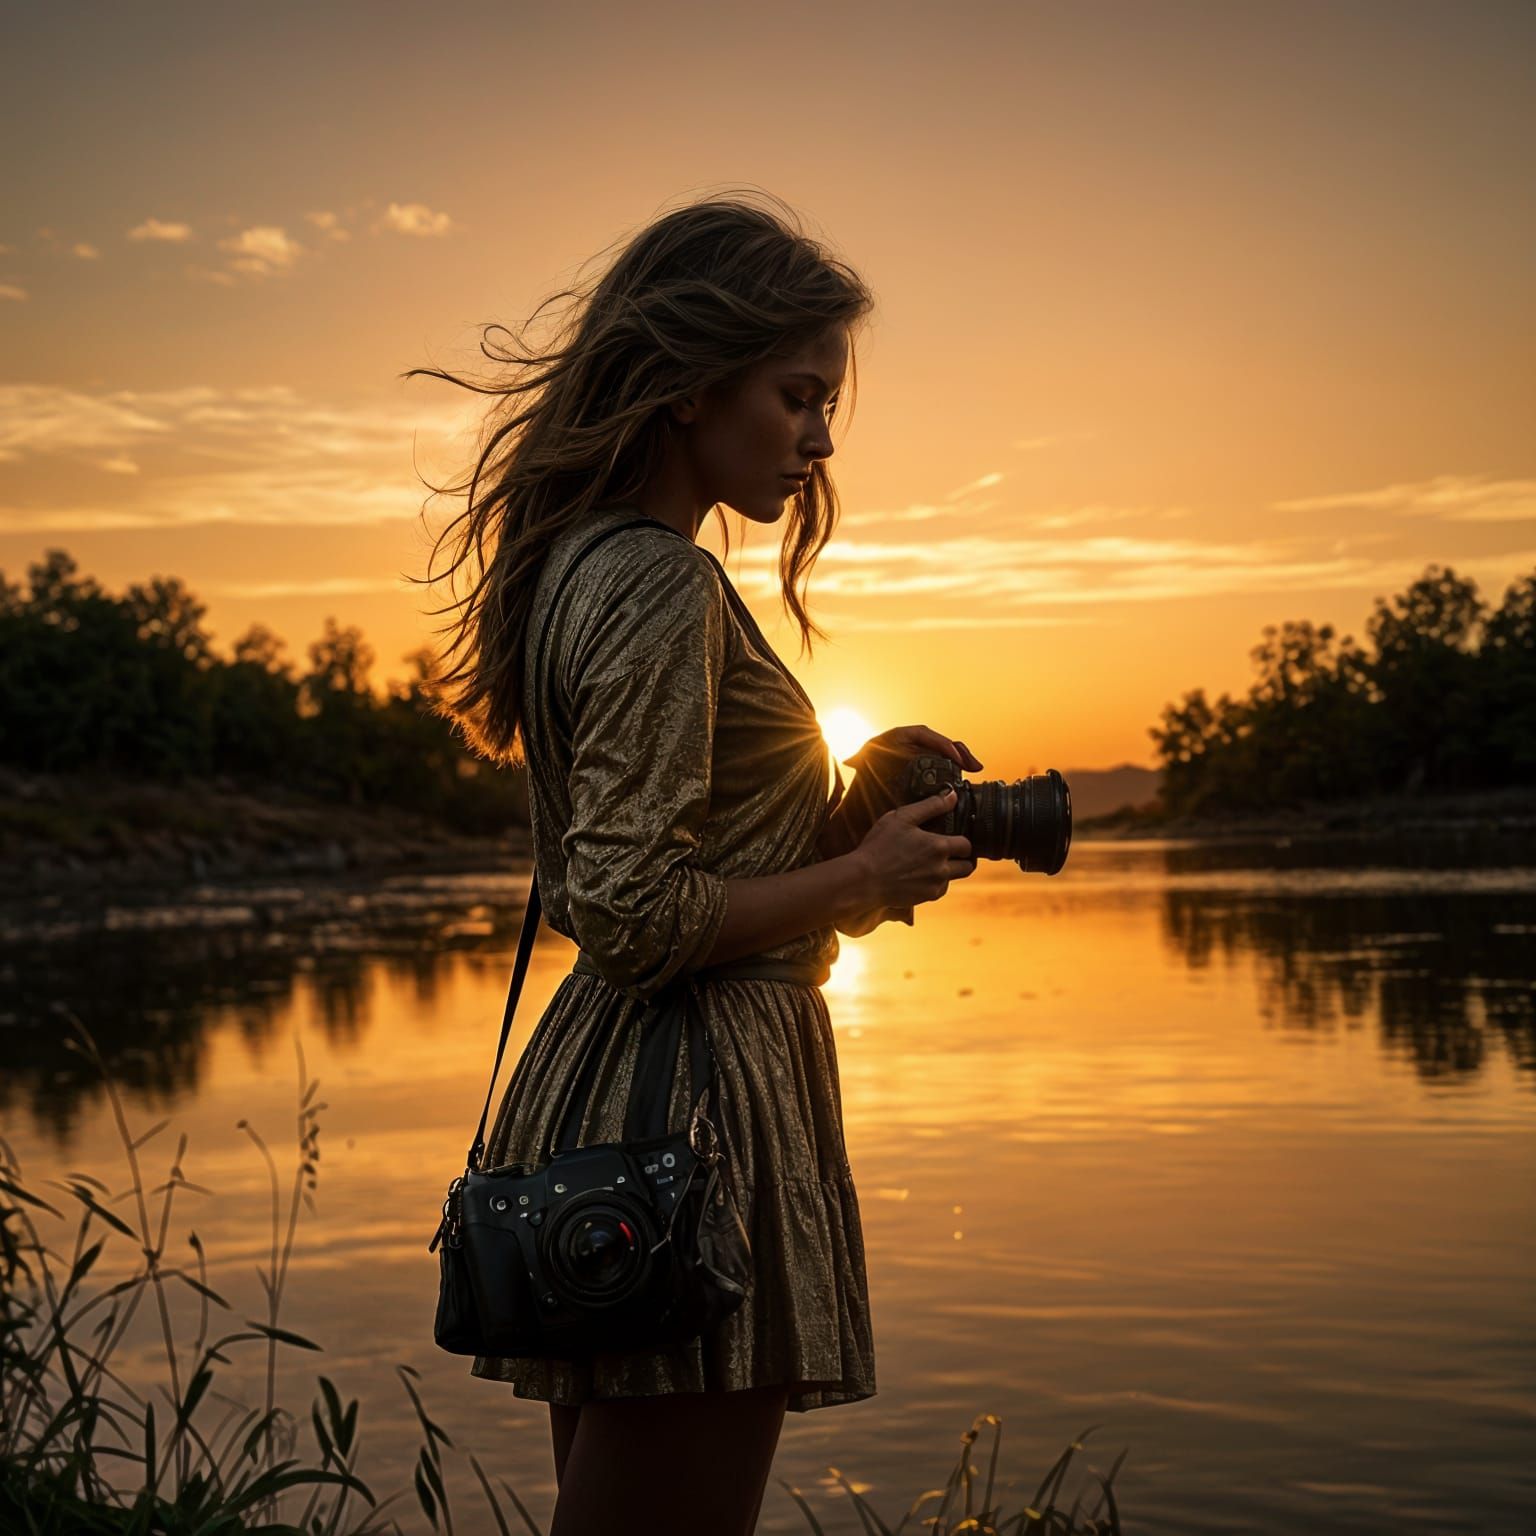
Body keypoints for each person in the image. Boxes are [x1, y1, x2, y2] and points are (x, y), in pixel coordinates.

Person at [408, 189, 980, 1536]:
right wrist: (860, 884)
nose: (819, 438)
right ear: (687, 382)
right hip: (697, 1120)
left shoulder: (581, 566)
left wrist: (850, 808)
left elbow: (661, 861)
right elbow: (628, 906)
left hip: (612, 1091)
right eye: (797, 395)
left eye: (827, 403)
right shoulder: (661, 581)